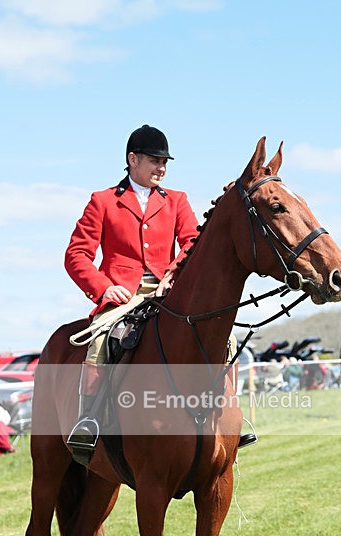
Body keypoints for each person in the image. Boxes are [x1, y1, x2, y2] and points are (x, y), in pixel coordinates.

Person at [65, 124, 256, 462]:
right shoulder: (103, 201)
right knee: (100, 342)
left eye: (165, 161)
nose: (161, 167)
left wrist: (174, 272)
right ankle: (90, 417)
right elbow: (77, 255)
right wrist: (104, 287)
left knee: (223, 338)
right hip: (122, 294)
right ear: (132, 159)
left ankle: (231, 417)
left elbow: (193, 243)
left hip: (169, 292)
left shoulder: (177, 201)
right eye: (154, 160)